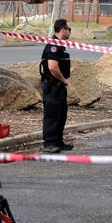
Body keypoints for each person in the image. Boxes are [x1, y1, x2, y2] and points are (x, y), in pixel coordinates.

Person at [40, 18, 73, 153]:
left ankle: (58, 141)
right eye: (68, 29)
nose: (70, 32)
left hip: (59, 86)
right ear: (62, 30)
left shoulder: (61, 45)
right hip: (53, 85)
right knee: (52, 114)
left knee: (61, 114)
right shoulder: (53, 45)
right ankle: (49, 143)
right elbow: (52, 67)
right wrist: (64, 80)